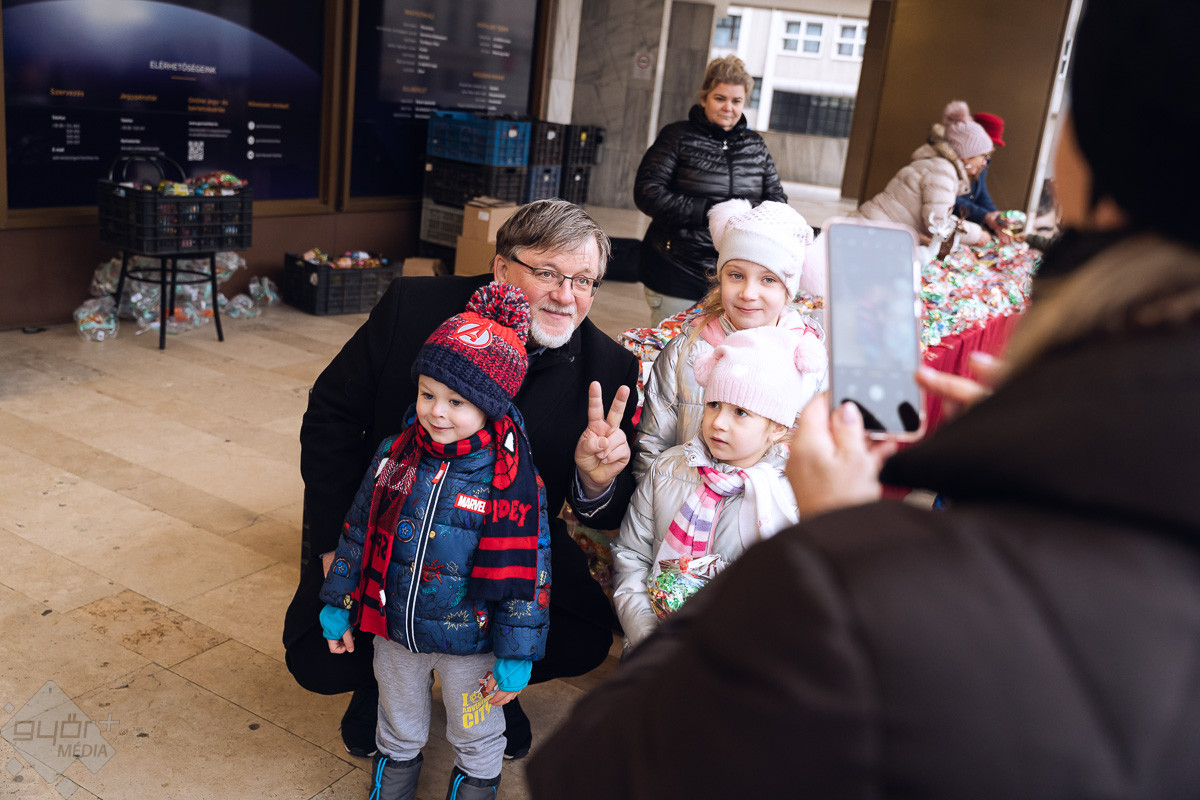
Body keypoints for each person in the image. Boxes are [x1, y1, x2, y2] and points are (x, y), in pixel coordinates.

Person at [524, 0, 1200, 796]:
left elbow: (596, 767)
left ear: (1085, 152)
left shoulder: (871, 561)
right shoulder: (686, 361)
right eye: (737, 276)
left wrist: (831, 544)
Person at [283, 200, 640, 763]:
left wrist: (594, 482)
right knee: (317, 658)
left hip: (504, 552)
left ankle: (491, 691)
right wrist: (333, 542)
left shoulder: (608, 368)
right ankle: (385, 681)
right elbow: (331, 416)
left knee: (582, 637)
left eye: (583, 280)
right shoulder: (414, 306)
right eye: (547, 272)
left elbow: (608, 509)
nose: (565, 295)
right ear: (501, 269)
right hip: (397, 537)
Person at [318, 283, 551, 799]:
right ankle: (395, 779)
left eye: (456, 401)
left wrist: (517, 655)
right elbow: (358, 532)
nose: (436, 412)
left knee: (475, 726)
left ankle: (476, 784)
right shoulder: (395, 455)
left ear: (490, 406)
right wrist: (338, 600)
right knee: (398, 718)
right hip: (395, 629)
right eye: (427, 394)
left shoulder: (511, 481)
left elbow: (530, 574)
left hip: (472, 644)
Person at [613, 326, 825, 651]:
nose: (719, 422)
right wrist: (648, 639)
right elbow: (632, 555)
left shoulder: (791, 498)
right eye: (713, 404)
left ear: (776, 427)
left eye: (741, 412)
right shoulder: (668, 469)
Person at [633, 198, 826, 480]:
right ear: (720, 277)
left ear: (789, 290)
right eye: (736, 275)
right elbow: (651, 446)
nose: (748, 293)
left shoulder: (811, 365)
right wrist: (654, 497)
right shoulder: (685, 351)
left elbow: (817, 460)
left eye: (768, 279)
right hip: (679, 500)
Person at [634, 54, 788, 325]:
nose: (728, 107)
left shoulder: (755, 145)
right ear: (704, 98)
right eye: (720, 98)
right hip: (677, 269)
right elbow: (648, 192)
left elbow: (777, 200)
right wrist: (709, 212)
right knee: (674, 345)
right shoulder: (676, 136)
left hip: (736, 274)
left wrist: (746, 215)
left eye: (736, 101)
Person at [853, 99, 993, 248]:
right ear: (967, 154)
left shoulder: (937, 165)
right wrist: (977, 234)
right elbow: (938, 224)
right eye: (983, 156)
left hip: (870, 232)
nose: (984, 163)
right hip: (869, 237)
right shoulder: (942, 171)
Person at [956, 111, 1014, 243]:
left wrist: (996, 219)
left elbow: (981, 193)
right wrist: (985, 216)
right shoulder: (951, 164)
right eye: (990, 143)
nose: (992, 149)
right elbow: (951, 200)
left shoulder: (982, 162)